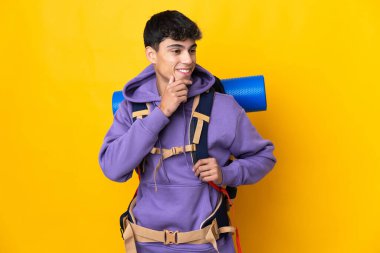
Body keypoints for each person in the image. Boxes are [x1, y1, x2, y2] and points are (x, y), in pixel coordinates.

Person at [98, 10, 276, 253]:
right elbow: (112, 168)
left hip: (208, 244)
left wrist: (226, 173)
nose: (188, 60)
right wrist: (161, 112)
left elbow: (264, 157)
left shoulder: (222, 106)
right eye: (176, 50)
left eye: (191, 50)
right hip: (145, 244)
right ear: (152, 54)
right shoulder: (132, 107)